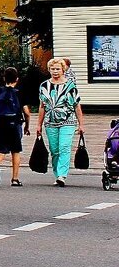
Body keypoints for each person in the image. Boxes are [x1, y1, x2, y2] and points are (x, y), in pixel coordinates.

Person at [35, 57, 85, 186]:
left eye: (58, 69)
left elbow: (77, 105)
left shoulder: (70, 86)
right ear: (49, 70)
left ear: (63, 70)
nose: (55, 71)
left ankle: (62, 175)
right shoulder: (44, 86)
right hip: (50, 122)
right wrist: (38, 125)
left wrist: (81, 124)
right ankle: (57, 174)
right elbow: (42, 106)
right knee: (54, 150)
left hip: (68, 121)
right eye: (52, 69)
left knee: (64, 147)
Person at [0, 66, 29, 187]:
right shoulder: (19, 93)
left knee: (1, 149)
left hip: (0, 124)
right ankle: (15, 179)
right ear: (17, 79)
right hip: (14, 124)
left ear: (4, 78)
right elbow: (26, 112)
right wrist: (26, 125)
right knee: (15, 151)